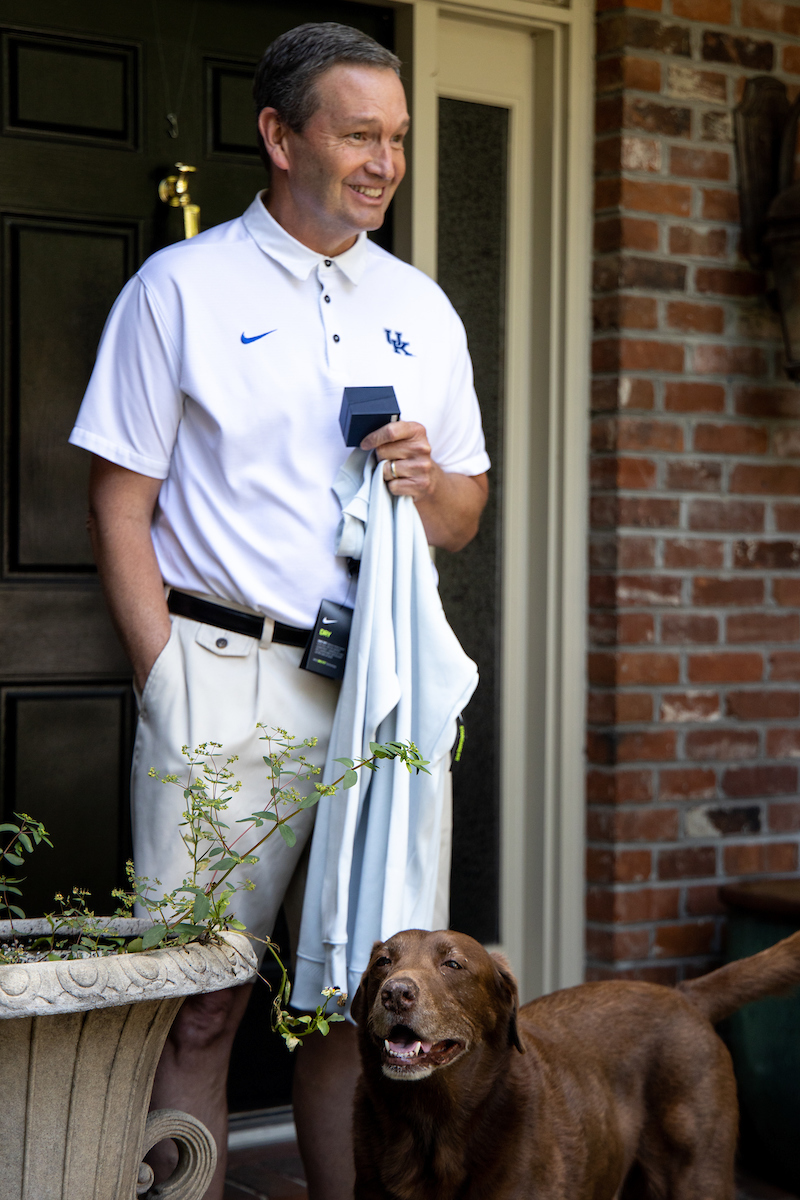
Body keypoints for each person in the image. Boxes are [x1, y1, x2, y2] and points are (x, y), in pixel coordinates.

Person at [70, 22, 489, 1200]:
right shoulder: (179, 289)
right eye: (358, 135)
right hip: (225, 678)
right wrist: (165, 675)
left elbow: (462, 514)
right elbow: (118, 500)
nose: (383, 162)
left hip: (381, 694)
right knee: (198, 1005)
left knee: (373, 1005)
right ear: (278, 134)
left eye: (394, 138)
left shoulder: (420, 307)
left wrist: (426, 481)